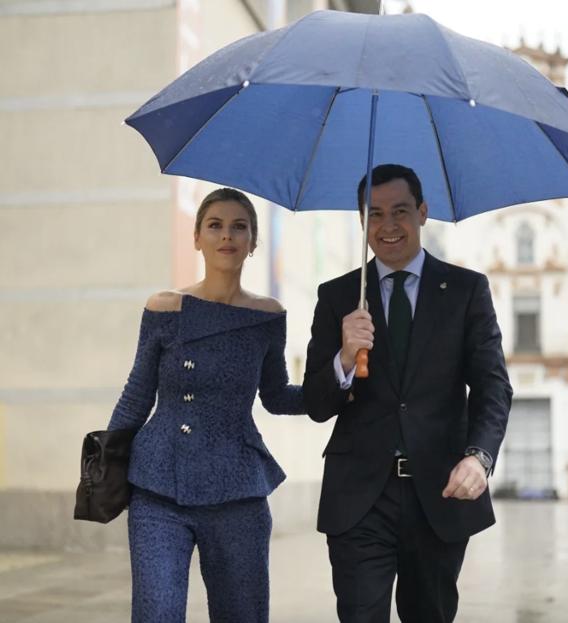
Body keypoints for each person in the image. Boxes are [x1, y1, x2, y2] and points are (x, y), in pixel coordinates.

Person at [303, 164, 513, 623]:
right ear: (362, 222)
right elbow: (317, 405)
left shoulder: (465, 290)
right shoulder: (338, 296)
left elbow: (493, 385)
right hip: (359, 499)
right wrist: (343, 356)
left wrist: (479, 457)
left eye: (400, 211)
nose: (388, 226)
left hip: (439, 493)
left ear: (422, 212)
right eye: (374, 214)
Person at [107, 187, 305, 623]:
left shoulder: (268, 317)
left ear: (253, 242)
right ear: (197, 237)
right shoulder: (163, 308)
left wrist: (340, 376)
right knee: (156, 614)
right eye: (214, 225)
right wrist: (102, 467)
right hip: (158, 488)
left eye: (239, 227)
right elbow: (136, 397)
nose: (226, 236)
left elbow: (276, 396)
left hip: (237, 489)